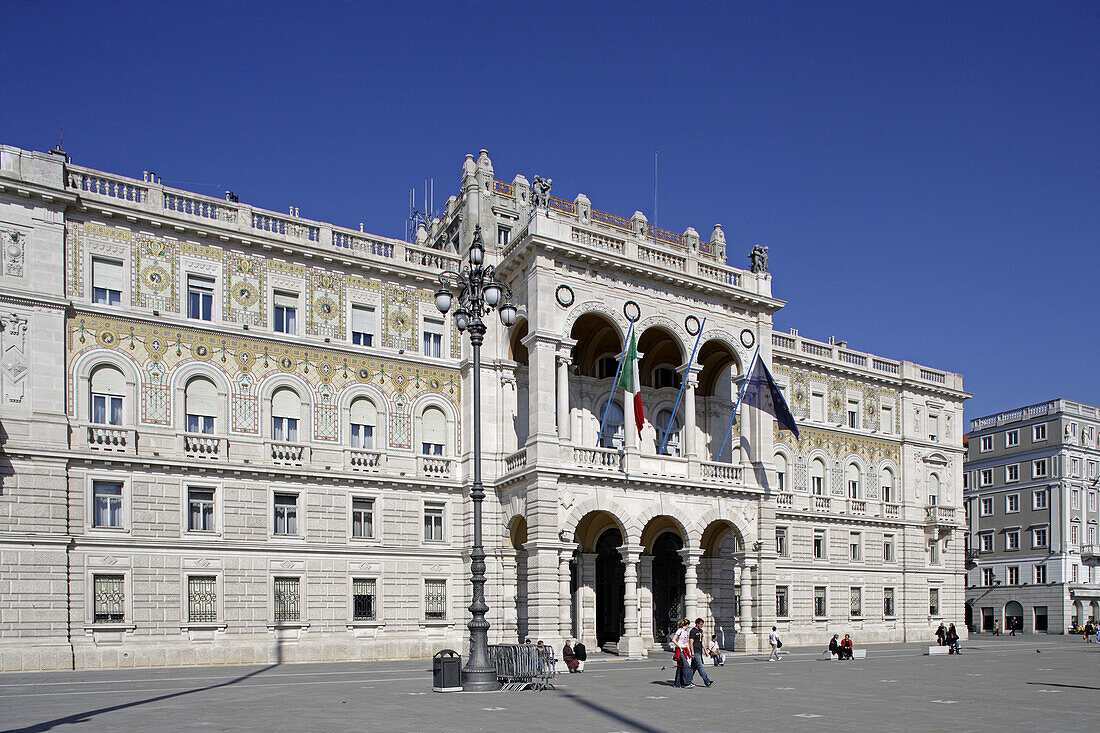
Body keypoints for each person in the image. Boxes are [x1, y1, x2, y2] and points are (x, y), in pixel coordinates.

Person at [688, 619, 714, 687]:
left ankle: (687, 680)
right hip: (695, 651)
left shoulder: (701, 631)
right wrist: (692, 652)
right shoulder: (693, 631)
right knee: (700, 666)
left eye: (702, 624)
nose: (702, 626)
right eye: (701, 624)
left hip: (699, 651)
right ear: (697, 624)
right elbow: (691, 642)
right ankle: (707, 681)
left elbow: (702, 641)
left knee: (693, 667)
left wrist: (706, 651)